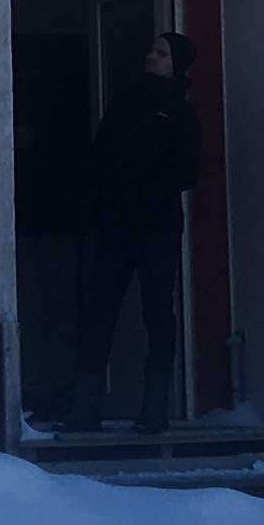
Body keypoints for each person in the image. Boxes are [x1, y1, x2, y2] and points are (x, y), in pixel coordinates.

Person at [70, 29, 199, 432]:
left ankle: (155, 409)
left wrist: (146, 188)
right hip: (116, 225)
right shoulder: (125, 101)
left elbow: (188, 170)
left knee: (158, 312)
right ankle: (85, 409)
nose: (151, 57)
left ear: (177, 63)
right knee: (99, 309)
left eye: (161, 53)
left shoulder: (181, 112)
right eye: (151, 50)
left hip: (157, 226)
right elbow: (99, 153)